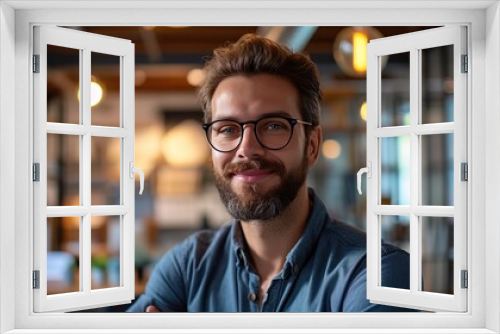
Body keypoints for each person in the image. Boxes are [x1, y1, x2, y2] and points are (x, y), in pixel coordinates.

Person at [127, 33, 411, 312]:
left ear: (311, 145)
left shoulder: (377, 274)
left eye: (274, 125)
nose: (247, 148)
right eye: (227, 129)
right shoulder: (186, 267)